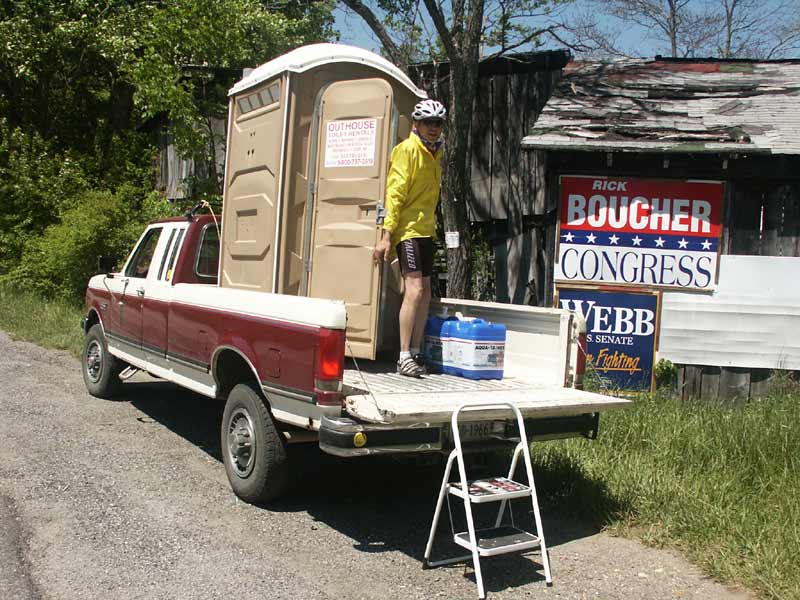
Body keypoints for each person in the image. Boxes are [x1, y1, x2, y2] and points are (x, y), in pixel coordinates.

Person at [373, 99, 446, 377]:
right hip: (409, 231)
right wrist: (386, 235)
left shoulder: (435, 152)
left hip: (426, 230)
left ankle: (415, 352)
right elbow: (395, 193)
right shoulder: (407, 150)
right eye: (428, 123)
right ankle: (403, 355)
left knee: (425, 291)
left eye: (438, 123)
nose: (433, 128)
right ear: (416, 124)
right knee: (414, 290)